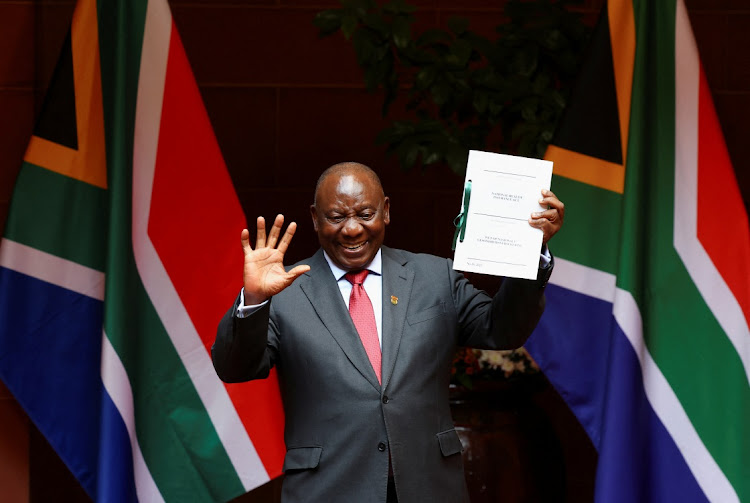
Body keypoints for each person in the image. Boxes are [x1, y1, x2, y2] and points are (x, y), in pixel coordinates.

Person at [212, 162, 564, 503]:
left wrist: (534, 255)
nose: (352, 229)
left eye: (365, 214)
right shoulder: (285, 291)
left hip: (428, 486)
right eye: (336, 217)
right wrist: (255, 300)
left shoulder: (434, 277)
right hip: (329, 489)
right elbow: (235, 368)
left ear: (387, 212)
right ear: (315, 219)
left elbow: (501, 330)